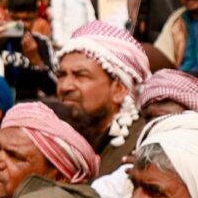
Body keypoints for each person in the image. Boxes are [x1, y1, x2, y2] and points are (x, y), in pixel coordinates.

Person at [52, 22, 152, 177]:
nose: (65, 87)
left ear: (119, 89)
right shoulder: (58, 137)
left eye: (81, 75)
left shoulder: (141, 149)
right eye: (61, 75)